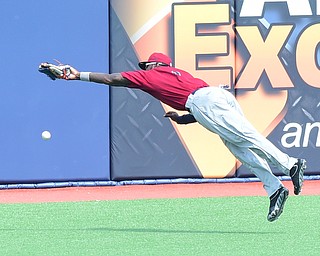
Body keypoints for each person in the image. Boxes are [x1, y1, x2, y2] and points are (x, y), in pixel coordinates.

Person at [40, 52, 306, 222]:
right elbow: (200, 108)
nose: (143, 68)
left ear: (156, 64)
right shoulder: (180, 74)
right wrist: (184, 117)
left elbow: (113, 79)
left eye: (146, 65)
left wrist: (77, 76)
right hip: (214, 97)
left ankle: (290, 164)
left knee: (245, 138)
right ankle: (274, 189)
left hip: (204, 101)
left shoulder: (152, 74)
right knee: (238, 146)